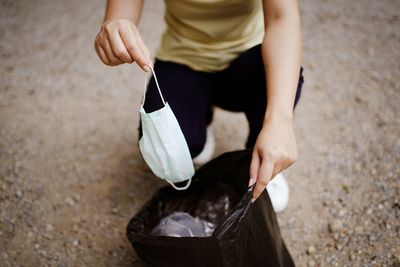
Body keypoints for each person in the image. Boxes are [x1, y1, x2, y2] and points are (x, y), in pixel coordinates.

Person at [94, 0, 304, 210]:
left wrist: (280, 121)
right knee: (167, 149)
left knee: (283, 80)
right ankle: (202, 113)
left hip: (249, 59)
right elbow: (121, 13)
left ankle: (262, 160)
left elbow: (281, 17)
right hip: (183, 59)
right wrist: (115, 26)